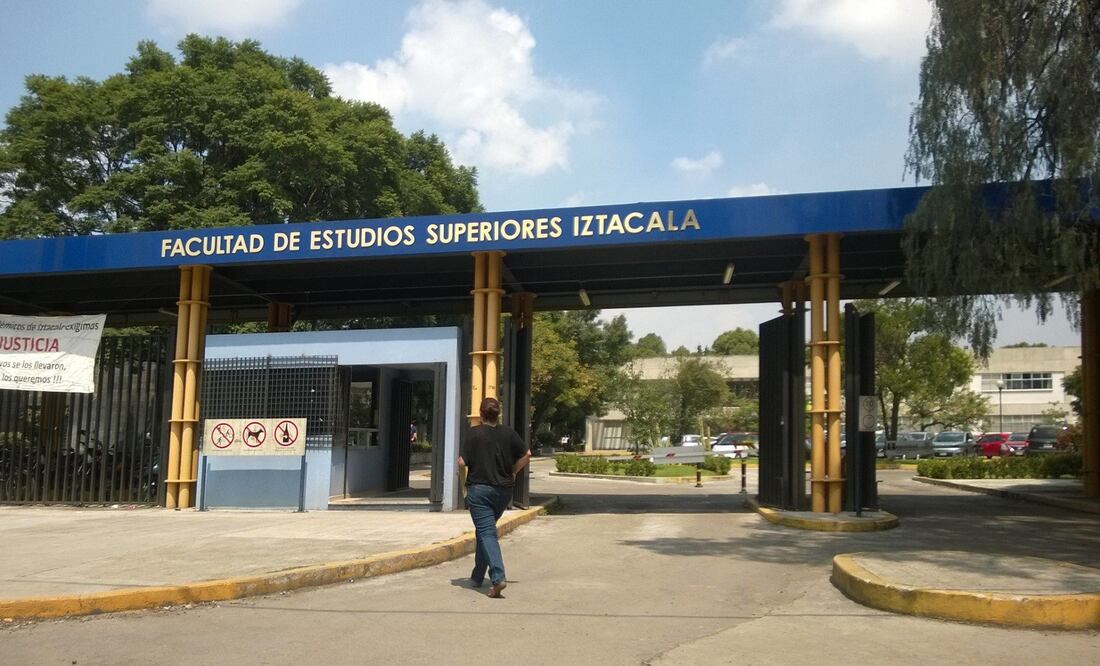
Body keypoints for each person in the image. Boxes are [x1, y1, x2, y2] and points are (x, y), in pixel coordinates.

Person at [457, 397, 531, 598]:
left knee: (487, 533)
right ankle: (477, 576)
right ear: (498, 414)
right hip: (503, 492)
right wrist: (514, 471)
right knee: (485, 531)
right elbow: (527, 454)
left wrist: (460, 468)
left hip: (479, 491)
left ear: (481, 414)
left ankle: (498, 577)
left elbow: (463, 462)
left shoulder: (474, 434)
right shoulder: (508, 433)